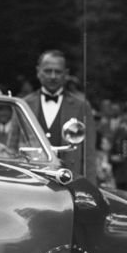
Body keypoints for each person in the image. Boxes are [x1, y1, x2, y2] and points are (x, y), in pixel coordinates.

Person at [23, 49, 97, 185]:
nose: (53, 76)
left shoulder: (81, 106)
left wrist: (90, 188)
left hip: (68, 181)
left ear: (66, 74)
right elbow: (11, 146)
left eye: (58, 72)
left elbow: (89, 154)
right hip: (31, 180)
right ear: (38, 72)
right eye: (47, 71)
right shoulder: (25, 103)